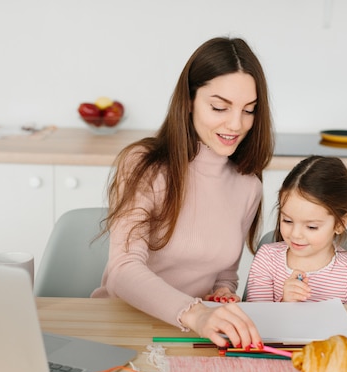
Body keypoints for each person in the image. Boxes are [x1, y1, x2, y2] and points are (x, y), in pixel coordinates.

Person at [91, 36, 275, 348]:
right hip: (122, 325)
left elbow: (225, 275)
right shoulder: (143, 165)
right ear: (189, 101)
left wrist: (223, 294)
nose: (236, 124)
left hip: (189, 336)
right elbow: (122, 270)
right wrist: (196, 313)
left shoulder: (248, 185)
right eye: (219, 107)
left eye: (249, 110)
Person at [246, 155, 347, 313]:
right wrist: (285, 303)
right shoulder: (267, 259)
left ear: (340, 223)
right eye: (287, 221)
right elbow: (257, 320)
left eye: (311, 227)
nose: (295, 234)